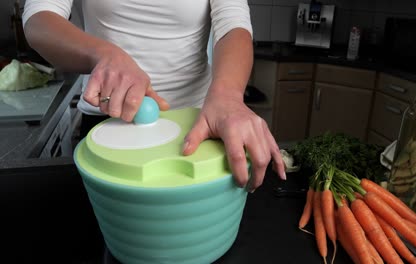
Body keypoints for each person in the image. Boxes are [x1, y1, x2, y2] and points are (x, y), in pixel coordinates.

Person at [23, 0, 286, 192]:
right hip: (109, 122)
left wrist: (228, 96)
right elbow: (39, 17)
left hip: (197, 128)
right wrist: (104, 54)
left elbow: (233, 25)